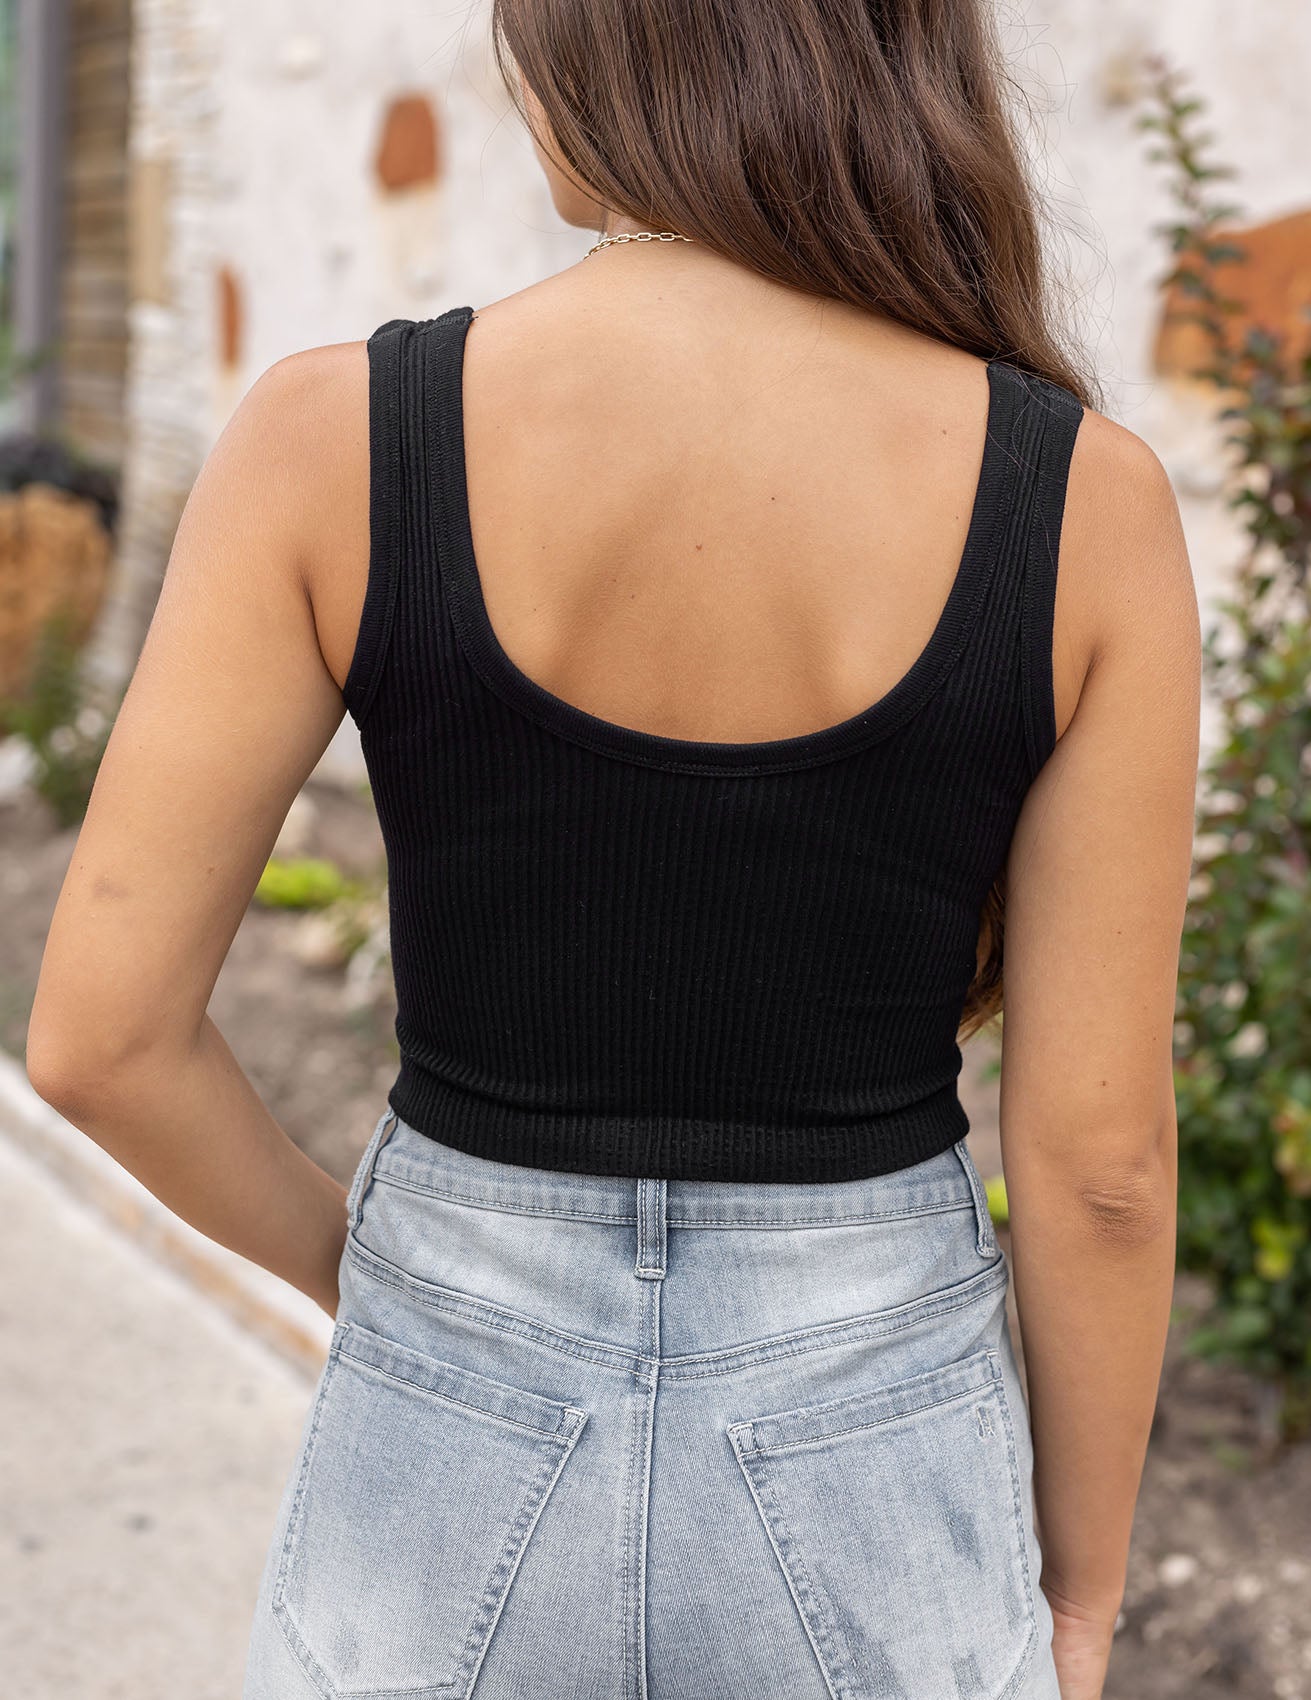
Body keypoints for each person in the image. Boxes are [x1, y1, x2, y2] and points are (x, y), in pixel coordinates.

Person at [27, 2, 1201, 1696]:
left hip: (454, 1390)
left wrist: (395, 1294)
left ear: (597, 58)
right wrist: (1079, 1598)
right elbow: (1099, 1165)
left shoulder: (329, 439)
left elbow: (101, 1038)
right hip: (870, 1419)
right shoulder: (1084, 502)